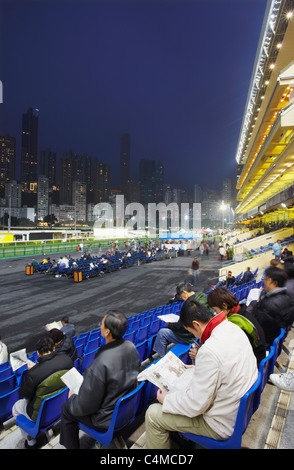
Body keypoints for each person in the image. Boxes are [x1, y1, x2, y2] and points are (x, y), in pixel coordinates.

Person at [145, 299, 258, 449]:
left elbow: (195, 405)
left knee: (153, 414)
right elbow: (225, 366)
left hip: (220, 423)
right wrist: (198, 370)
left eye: (191, 331)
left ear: (196, 324)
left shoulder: (209, 350)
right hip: (236, 411)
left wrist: (167, 399)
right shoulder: (233, 328)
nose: (194, 336)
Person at [59, 311, 141, 449]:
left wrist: (73, 398)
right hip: (126, 408)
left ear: (107, 332)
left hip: (106, 419)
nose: (99, 325)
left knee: (67, 408)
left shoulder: (100, 364)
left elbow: (86, 406)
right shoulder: (131, 347)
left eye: (101, 324)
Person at [12, 336, 73, 448]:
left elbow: (24, 394)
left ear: (38, 353)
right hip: (62, 405)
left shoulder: (33, 374)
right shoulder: (66, 360)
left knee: (16, 407)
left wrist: (33, 372)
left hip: (40, 414)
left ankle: (30, 441)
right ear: (53, 348)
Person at [207, 287, 266, 365]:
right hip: (258, 357)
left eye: (216, 310)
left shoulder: (237, 325)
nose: (216, 313)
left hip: (253, 364)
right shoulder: (244, 313)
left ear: (224, 306)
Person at [153, 282, 213, 357]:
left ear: (184, 292)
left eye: (181, 295)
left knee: (162, 333)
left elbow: (181, 326)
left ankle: (162, 358)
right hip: (201, 333)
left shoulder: (189, 305)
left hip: (191, 336)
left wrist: (170, 325)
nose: (181, 298)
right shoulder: (202, 296)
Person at [249, 267, 294, 346]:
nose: (264, 281)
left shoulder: (268, 304)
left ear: (274, 283)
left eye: (266, 279)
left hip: (263, 342)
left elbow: (256, 325)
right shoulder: (287, 298)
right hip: (271, 336)